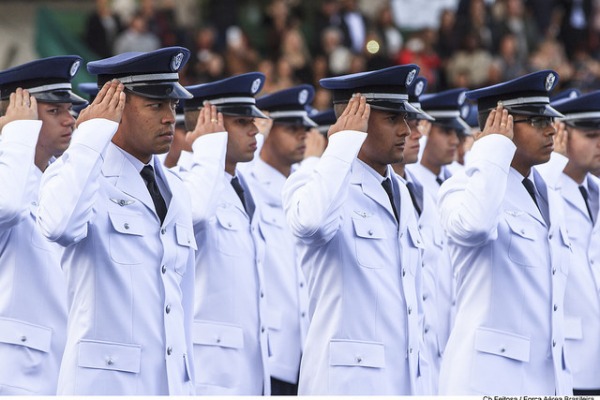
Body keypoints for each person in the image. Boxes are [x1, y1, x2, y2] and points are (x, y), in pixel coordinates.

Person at [36, 47, 197, 395]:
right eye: (156, 105)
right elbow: (58, 226)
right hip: (105, 385)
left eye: (172, 104)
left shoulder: (175, 188)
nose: (171, 117)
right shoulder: (78, 173)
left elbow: (181, 302)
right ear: (116, 105)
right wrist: (91, 136)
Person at [282, 64, 430, 395]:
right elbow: (310, 223)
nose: (406, 129)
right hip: (349, 384)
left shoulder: (401, 190)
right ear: (356, 120)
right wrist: (341, 144)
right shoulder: (314, 179)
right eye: (393, 119)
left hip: (403, 380)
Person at [437, 70, 573, 395]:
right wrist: (491, 151)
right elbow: (474, 226)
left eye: (550, 120)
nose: (552, 129)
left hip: (545, 378)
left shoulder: (548, 193)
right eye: (538, 121)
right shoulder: (462, 186)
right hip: (489, 378)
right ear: (503, 126)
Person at [0, 55, 86, 395]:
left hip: (60, 371)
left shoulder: (57, 179)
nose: (70, 120)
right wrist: (16, 134)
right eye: (54, 112)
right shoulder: (8, 178)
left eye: (70, 109)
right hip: (14, 375)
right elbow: (7, 205)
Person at [182, 72, 271, 395]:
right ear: (211, 123)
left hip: (248, 367)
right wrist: (206, 149)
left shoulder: (243, 185)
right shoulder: (182, 182)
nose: (254, 129)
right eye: (241, 122)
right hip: (209, 368)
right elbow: (195, 214)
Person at [245, 84, 316, 395]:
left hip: (310, 348)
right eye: (291, 128)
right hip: (272, 349)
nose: (302, 136)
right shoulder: (248, 180)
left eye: (304, 129)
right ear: (267, 129)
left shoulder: (308, 183)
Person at [392, 76, 451, 395]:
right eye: (402, 121)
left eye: (417, 123)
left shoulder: (422, 191)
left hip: (435, 355)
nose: (412, 133)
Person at [540, 91, 600, 395]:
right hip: (567, 359)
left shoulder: (595, 190)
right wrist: (554, 162)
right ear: (561, 134)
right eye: (590, 134)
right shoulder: (544, 190)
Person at [406, 87, 470, 201]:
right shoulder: (410, 183)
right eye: (446, 132)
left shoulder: (457, 176)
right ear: (424, 130)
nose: (455, 141)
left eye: (456, 133)